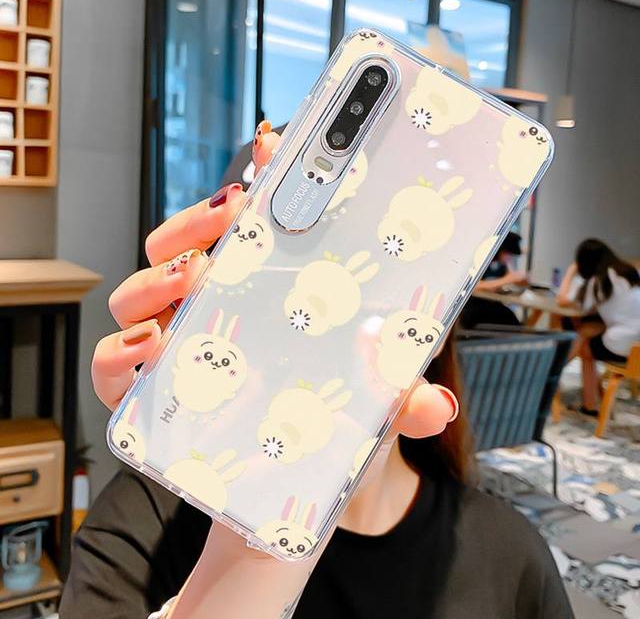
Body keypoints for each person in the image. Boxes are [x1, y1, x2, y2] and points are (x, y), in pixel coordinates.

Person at [60, 125, 573, 619]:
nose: (306, 335)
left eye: (371, 271)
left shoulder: (510, 561)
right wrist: (250, 552)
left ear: (433, 321)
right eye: (271, 283)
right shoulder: (140, 525)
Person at [557, 238, 640, 415]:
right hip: (637, 349)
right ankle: (589, 401)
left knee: (585, 345)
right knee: (588, 330)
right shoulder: (628, 272)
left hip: (622, 346)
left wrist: (570, 271)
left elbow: (562, 300)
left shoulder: (598, 281)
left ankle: (587, 403)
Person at [459, 232, 528, 329]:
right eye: (508, 254)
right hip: (474, 305)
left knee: (512, 320)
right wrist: (506, 280)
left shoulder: (503, 264)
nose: (509, 258)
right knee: (509, 321)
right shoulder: (480, 261)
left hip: (492, 302)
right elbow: (473, 286)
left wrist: (520, 279)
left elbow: (511, 277)